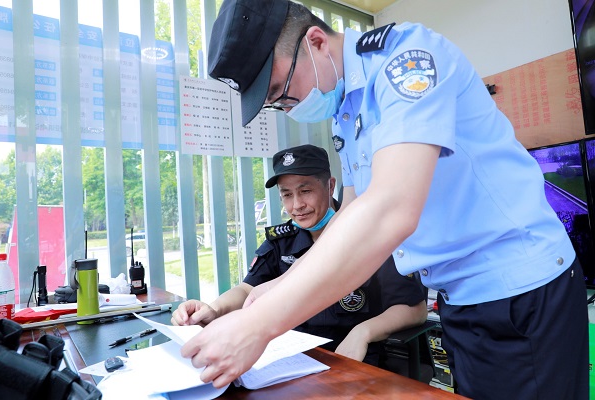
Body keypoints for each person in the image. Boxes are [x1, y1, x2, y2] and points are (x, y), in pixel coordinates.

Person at [182, 1, 590, 398]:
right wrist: (279, 287)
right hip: (461, 301)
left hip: (522, 291)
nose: (286, 109)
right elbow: (355, 211)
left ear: (317, 42)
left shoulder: (406, 58)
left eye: (281, 91)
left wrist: (259, 326)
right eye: (275, 104)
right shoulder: (347, 108)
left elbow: (392, 209)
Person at [172, 144, 427, 366]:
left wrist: (363, 332)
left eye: (305, 191)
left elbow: (414, 309)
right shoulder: (282, 241)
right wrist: (214, 309)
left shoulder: (369, 234)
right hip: (290, 359)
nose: (297, 206)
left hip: (354, 359)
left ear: (330, 186)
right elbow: (249, 289)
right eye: (286, 195)